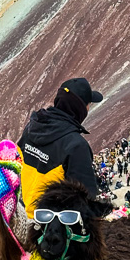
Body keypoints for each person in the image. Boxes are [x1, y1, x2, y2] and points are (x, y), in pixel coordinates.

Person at [17, 77, 103, 216]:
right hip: (50, 224)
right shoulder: (76, 146)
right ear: (80, 108)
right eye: (88, 104)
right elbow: (86, 200)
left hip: (22, 212)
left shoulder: (31, 128)